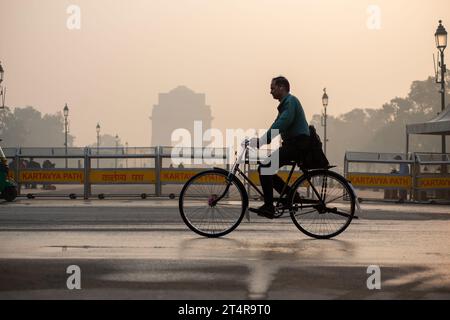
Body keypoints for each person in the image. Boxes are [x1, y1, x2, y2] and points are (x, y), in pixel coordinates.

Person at [248, 76, 310, 219]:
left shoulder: (290, 102)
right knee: (265, 168)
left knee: (265, 167)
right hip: (294, 144)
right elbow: (275, 125)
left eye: (272, 88)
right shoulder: (286, 104)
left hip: (298, 144)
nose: (270, 92)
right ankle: (291, 194)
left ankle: (269, 206)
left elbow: (281, 124)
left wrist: (262, 141)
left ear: (282, 87)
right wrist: (259, 141)